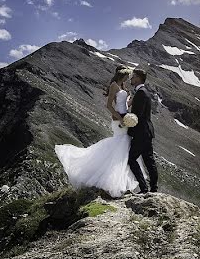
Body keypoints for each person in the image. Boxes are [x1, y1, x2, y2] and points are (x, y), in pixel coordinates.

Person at [54, 66, 141, 198]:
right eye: (127, 76)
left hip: (124, 118)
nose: (129, 78)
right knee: (121, 147)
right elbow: (108, 106)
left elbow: (123, 105)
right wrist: (120, 118)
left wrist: (131, 103)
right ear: (123, 75)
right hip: (118, 121)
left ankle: (121, 182)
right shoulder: (113, 85)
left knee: (124, 148)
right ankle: (113, 182)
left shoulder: (122, 86)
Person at [127, 67, 158, 193]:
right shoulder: (144, 92)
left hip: (141, 132)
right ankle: (153, 188)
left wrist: (127, 124)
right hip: (147, 131)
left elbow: (137, 116)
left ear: (139, 78)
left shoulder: (141, 93)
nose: (131, 78)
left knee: (131, 159)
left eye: (133, 76)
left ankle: (144, 188)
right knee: (149, 160)